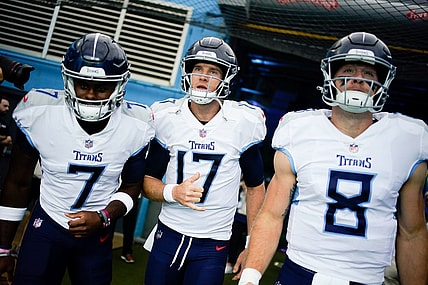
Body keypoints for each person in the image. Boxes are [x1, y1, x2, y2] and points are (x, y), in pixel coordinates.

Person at [239, 32, 428, 285]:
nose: (357, 80)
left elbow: (412, 232)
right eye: (348, 70)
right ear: (332, 77)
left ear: (382, 83)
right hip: (300, 272)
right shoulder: (299, 130)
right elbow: (272, 214)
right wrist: (250, 276)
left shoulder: (407, 139)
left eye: (369, 74)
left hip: (367, 279)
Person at [0, 32, 155, 285]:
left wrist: (104, 216)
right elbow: (18, 183)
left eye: (101, 87)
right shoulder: (39, 112)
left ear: (118, 86)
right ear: (69, 81)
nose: (91, 94)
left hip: (98, 232)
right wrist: (3, 248)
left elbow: (131, 188)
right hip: (48, 224)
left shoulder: (136, 124)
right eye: (83, 84)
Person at [142, 36, 267, 285]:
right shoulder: (168, 116)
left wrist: (252, 244)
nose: (203, 76)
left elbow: (255, 187)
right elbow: (146, 181)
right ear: (188, 72)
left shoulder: (243, 122)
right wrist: (173, 192)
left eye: (213, 71)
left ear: (225, 79)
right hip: (169, 233)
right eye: (198, 69)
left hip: (214, 243)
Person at [225, 178, 248, 274]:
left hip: (247, 216)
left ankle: (244, 266)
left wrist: (246, 188)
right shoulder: (237, 182)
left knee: (246, 243)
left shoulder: (254, 182)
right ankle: (230, 263)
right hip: (237, 215)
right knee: (234, 239)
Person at [120, 197, 139, 264]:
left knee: (130, 224)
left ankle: (127, 252)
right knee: (110, 221)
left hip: (132, 194)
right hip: (114, 192)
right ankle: (105, 251)